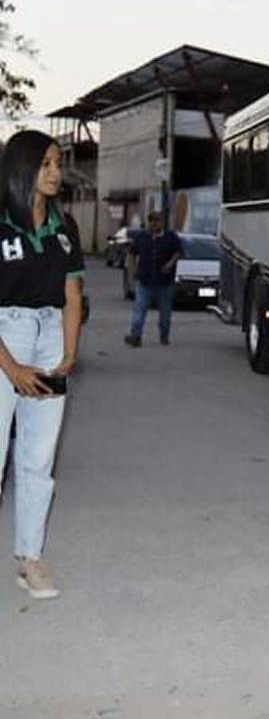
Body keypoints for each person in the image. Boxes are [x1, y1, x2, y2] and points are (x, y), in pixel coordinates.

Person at [0, 130, 86, 599]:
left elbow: (72, 293)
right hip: (5, 336)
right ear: (22, 167)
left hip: (50, 336)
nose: (56, 172)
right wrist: (12, 368)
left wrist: (68, 352)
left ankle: (29, 559)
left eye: (58, 163)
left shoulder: (64, 226)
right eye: (46, 163)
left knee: (38, 458)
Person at [124, 210, 181, 347]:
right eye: (151, 221)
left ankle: (164, 335)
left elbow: (178, 252)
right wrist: (132, 271)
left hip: (164, 281)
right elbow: (132, 253)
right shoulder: (142, 237)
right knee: (139, 308)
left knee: (165, 312)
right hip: (145, 279)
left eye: (156, 221)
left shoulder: (170, 237)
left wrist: (170, 264)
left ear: (161, 222)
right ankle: (136, 336)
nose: (154, 224)